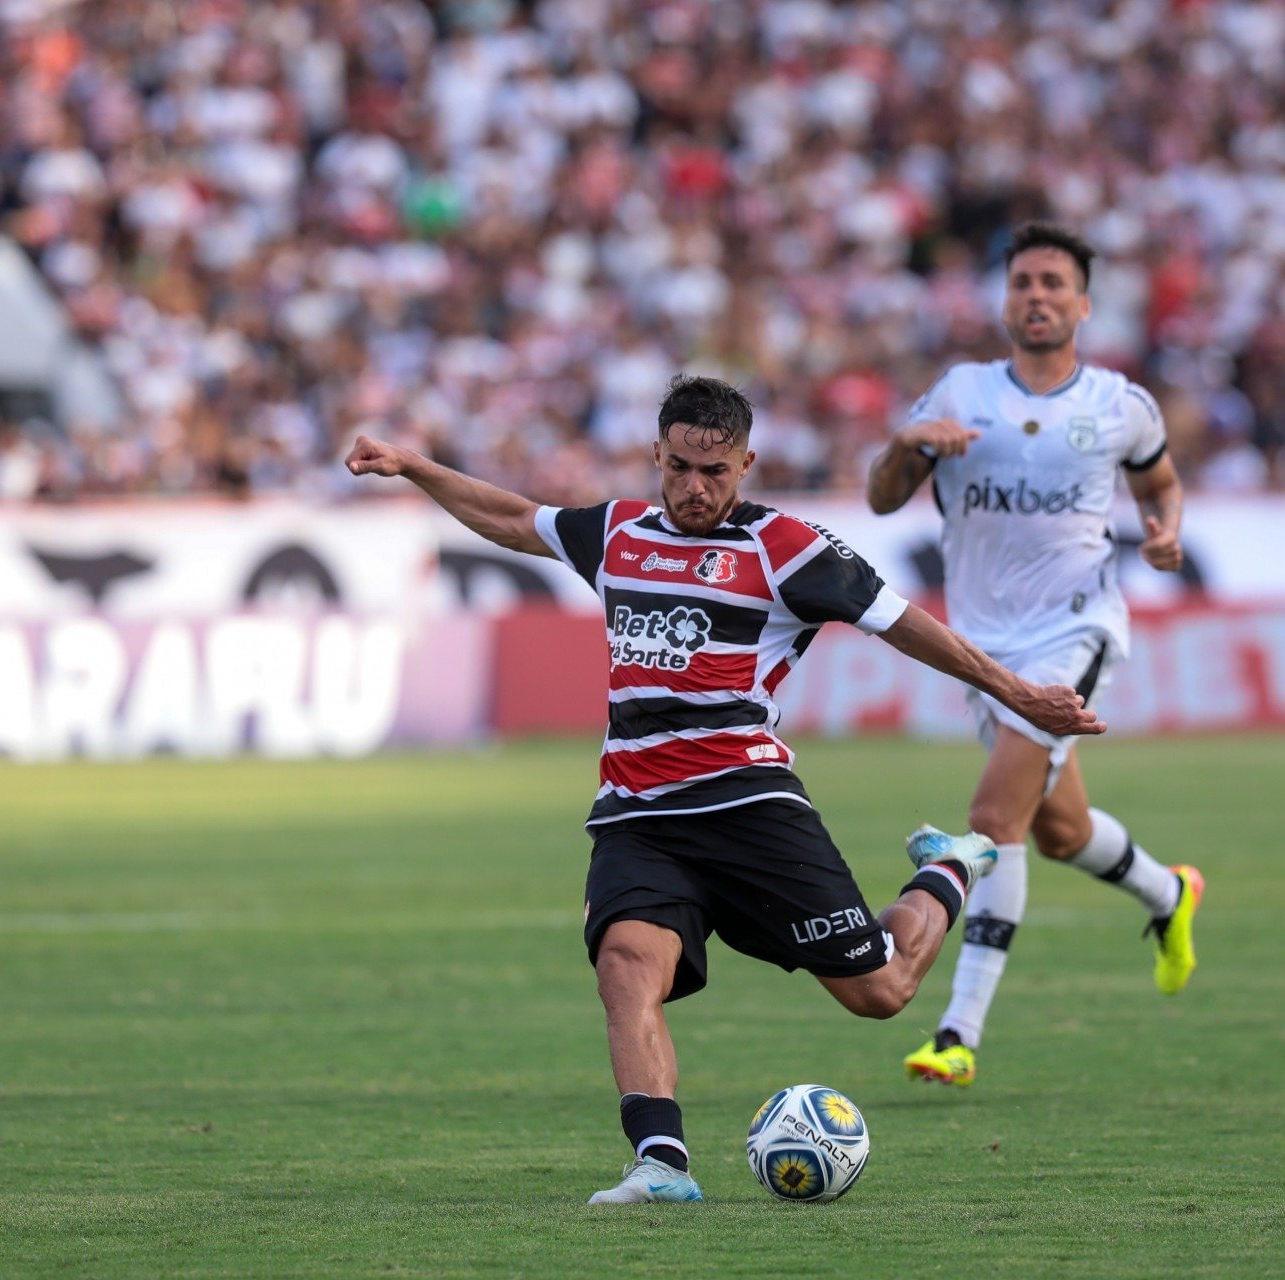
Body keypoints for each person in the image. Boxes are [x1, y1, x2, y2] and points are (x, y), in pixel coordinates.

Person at [347, 374, 1105, 1203]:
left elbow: (912, 629)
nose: (695, 487)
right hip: (638, 812)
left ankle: (951, 865)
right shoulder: (617, 532)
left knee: (881, 990)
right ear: (658, 457)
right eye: (679, 467)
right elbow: (510, 518)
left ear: (746, 463)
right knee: (626, 963)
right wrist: (415, 466)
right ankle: (660, 1165)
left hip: (748, 807)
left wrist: (1019, 694)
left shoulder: (789, 548)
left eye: (715, 472)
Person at [865, 222, 1205, 1090]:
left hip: (1075, 630)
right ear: (1005, 301)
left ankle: (956, 1032)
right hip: (984, 644)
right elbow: (880, 496)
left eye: (1055, 282)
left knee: (993, 820)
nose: (1038, 296)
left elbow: (1159, 480)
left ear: (1084, 304)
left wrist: (1165, 531)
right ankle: (1170, 896)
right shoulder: (960, 392)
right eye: (1023, 282)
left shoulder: (1118, 405)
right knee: (1061, 831)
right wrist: (910, 446)